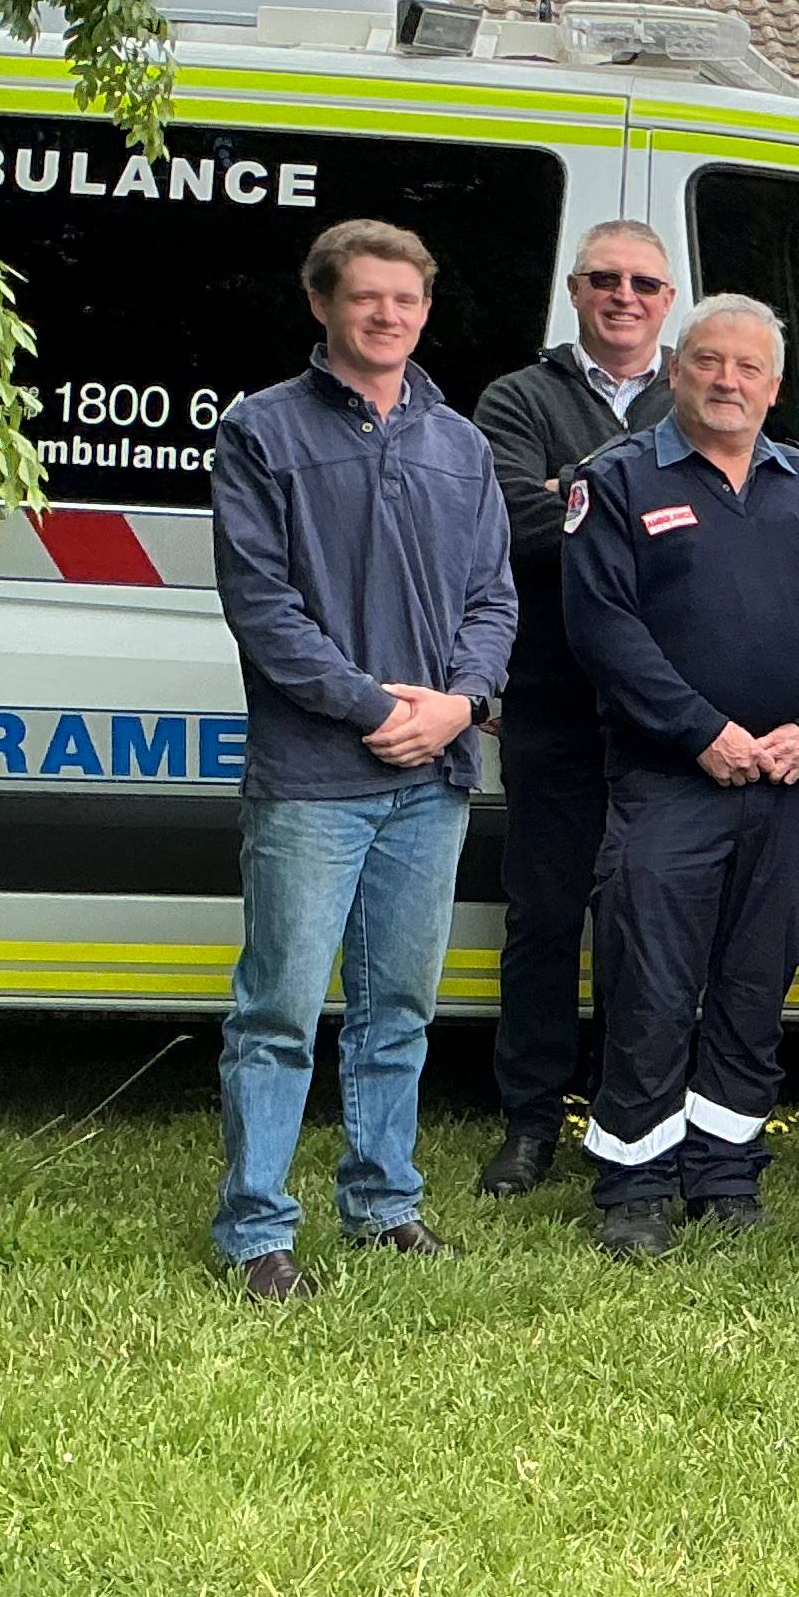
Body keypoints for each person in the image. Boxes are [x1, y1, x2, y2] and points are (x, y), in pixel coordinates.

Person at [205, 219, 519, 1300]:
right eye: (366, 297)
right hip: (312, 779)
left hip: (430, 781)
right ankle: (257, 1230)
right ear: (323, 304)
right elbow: (264, 609)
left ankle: (384, 1203)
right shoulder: (264, 434)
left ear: (426, 310)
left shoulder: (458, 443)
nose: (388, 315)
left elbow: (493, 598)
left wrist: (462, 705)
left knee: (399, 1010)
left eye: (407, 299)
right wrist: (378, 706)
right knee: (281, 1010)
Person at [563, 295, 799, 1257]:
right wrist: (701, 730)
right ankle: (635, 1184)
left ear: (774, 385)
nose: (727, 380)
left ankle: (725, 1173)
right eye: (708, 362)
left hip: (790, 784)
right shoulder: (614, 481)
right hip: (672, 781)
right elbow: (604, 630)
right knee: (653, 985)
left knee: (752, 989)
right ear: (675, 369)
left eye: (748, 367)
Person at [468, 220, 678, 1196]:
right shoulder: (519, 397)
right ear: (576, 289)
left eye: (643, 282)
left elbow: (731, 529)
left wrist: (583, 499)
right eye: (605, 279)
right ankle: (530, 1120)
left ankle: (631, 1115)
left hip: (670, 709)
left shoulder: (702, 388)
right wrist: (655, 516)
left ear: (668, 300)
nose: (623, 296)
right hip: (552, 698)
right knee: (546, 919)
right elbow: (508, 518)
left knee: (647, 923)